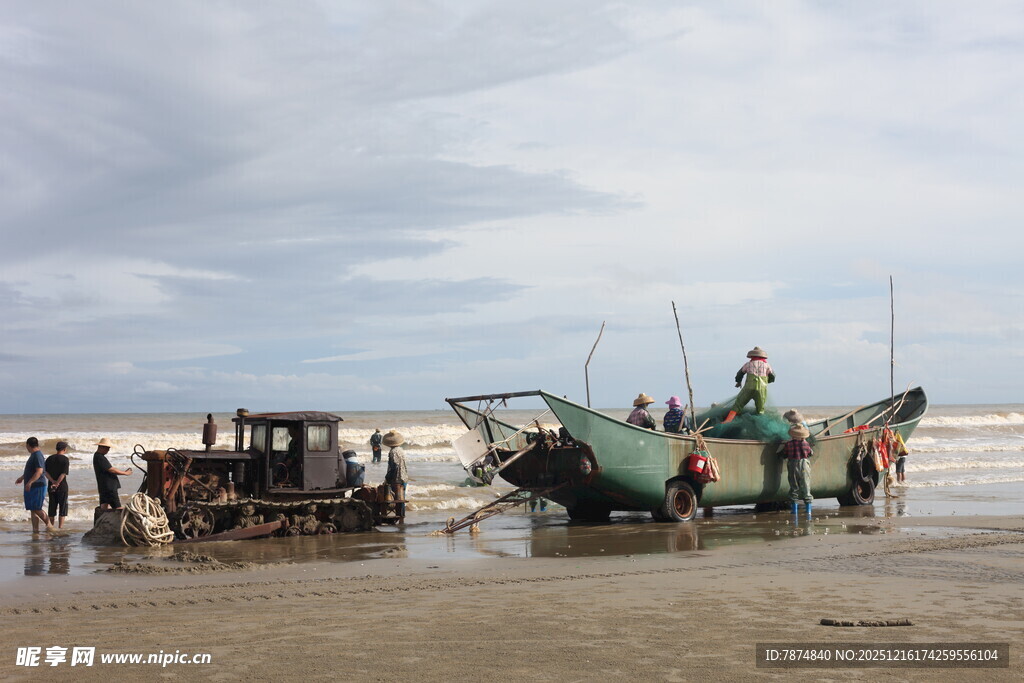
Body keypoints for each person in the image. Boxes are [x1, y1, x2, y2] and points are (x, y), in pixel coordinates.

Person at [723, 346, 775, 423]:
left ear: (752, 356)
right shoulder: (767, 365)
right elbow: (772, 376)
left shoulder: (748, 364)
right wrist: (767, 381)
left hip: (748, 388)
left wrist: (738, 382)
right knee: (760, 408)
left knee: (738, 404)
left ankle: (728, 420)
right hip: (761, 390)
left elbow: (740, 373)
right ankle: (760, 424)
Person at [15, 437, 52, 533]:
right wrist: (22, 478)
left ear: (28, 445)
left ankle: (50, 526)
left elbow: (39, 471)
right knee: (33, 509)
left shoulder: (37, 455)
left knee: (36, 508)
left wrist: (30, 482)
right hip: (32, 486)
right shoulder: (34, 455)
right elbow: (31, 471)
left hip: (37, 486)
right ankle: (35, 530)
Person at [780, 423, 813, 515]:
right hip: (804, 465)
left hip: (793, 465)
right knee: (806, 486)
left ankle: (794, 511)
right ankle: (808, 511)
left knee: (794, 487)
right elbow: (810, 453)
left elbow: (784, 454)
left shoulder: (788, 444)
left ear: (793, 435)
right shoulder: (806, 443)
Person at [93, 437, 131, 510]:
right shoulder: (100, 457)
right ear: (101, 447)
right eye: (107, 448)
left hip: (103, 487)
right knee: (118, 508)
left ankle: (103, 518)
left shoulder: (97, 456)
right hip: (109, 487)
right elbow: (111, 469)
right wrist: (125, 473)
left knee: (104, 508)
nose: (108, 450)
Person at [382, 430, 408, 520]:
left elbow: (393, 467)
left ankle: (399, 517)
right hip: (404, 477)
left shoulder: (392, 452)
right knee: (401, 499)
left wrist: (387, 479)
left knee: (396, 499)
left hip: (396, 479)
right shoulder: (401, 450)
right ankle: (402, 517)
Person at [45, 441, 71, 529]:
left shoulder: (49, 458)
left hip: (51, 486)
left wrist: (53, 481)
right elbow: (63, 473)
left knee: (52, 508)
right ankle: (60, 528)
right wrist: (57, 483)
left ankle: (51, 527)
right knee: (62, 508)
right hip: (62, 486)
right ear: (64, 449)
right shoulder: (65, 459)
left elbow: (45, 472)